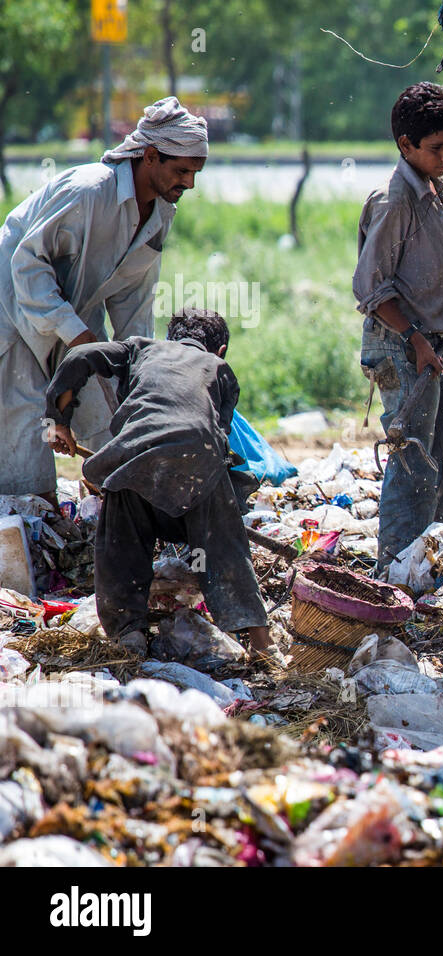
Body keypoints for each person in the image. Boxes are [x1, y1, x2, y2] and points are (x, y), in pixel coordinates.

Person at [0, 97, 208, 502]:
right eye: (181, 170)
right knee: (24, 425)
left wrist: (137, 369)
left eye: (195, 173)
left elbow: (135, 299)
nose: (190, 183)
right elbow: (27, 262)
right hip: (12, 307)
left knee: (114, 415)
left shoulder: (160, 214)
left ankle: (116, 512)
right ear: (150, 156)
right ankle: (28, 533)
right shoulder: (90, 189)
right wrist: (79, 338)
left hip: (74, 312)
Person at [43, 309, 275, 661]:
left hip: (134, 457)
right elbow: (220, 444)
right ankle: (261, 642)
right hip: (197, 463)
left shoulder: (141, 349)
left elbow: (79, 355)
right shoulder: (220, 370)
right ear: (221, 349)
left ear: (170, 337)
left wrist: (58, 421)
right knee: (225, 543)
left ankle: (128, 636)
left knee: (121, 538)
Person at [353, 81, 443, 573]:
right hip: (400, 348)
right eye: (436, 148)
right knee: (413, 461)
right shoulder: (394, 202)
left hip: (433, 345)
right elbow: (371, 289)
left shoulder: (433, 193)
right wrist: (415, 337)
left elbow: (420, 275)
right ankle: (395, 571)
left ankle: (430, 557)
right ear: (405, 145)